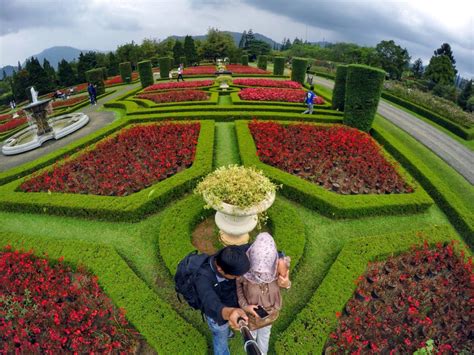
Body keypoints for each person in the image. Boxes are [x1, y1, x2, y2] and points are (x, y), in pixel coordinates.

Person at [236, 233, 291, 355]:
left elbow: (286, 283)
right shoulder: (244, 269)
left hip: (270, 314)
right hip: (251, 316)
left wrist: (287, 283)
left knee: (265, 336)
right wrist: (245, 306)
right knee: (252, 337)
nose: (261, 274)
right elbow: (238, 288)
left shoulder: (279, 265)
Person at [194, 245, 250, 355]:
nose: (239, 278)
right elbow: (211, 304)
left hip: (230, 302)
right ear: (220, 269)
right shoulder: (202, 279)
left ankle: (228, 332)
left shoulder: (232, 254)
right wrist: (230, 313)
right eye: (235, 276)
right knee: (221, 342)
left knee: (226, 330)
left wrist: (281, 259)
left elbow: (259, 243)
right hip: (217, 317)